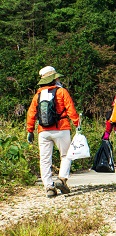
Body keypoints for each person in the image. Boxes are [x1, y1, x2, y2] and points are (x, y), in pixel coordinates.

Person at [25, 66, 81, 198]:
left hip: (43, 131)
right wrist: (77, 124)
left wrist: (30, 130)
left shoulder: (38, 95)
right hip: (61, 128)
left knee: (45, 159)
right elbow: (71, 110)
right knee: (66, 155)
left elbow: (31, 113)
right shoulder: (62, 92)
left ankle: (49, 188)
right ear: (54, 79)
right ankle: (61, 179)